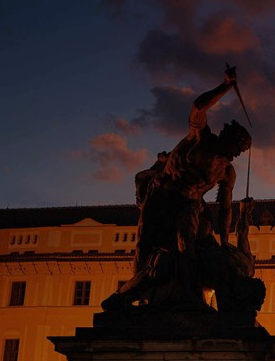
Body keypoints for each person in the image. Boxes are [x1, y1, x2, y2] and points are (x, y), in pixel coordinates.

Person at [103, 65, 253, 311]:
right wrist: (225, 86)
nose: (234, 153)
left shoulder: (227, 170)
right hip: (163, 197)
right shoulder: (200, 138)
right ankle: (139, 299)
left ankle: (189, 297)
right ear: (225, 137)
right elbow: (198, 107)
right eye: (234, 147)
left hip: (191, 206)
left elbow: (226, 207)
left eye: (238, 151)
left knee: (187, 249)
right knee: (145, 247)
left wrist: (225, 242)